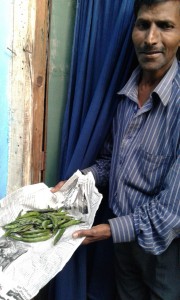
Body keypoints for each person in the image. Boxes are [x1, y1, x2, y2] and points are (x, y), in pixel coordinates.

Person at [52, 0, 180, 299]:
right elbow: (112, 162)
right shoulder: (124, 93)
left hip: (164, 248)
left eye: (165, 26)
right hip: (123, 243)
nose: (150, 39)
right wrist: (76, 182)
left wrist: (106, 230)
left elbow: (173, 212)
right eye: (143, 24)